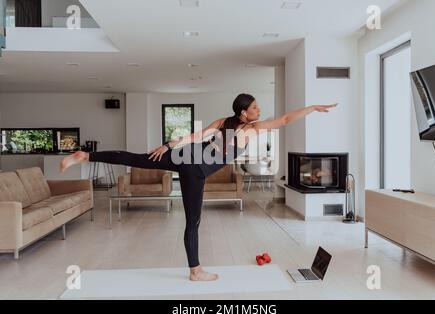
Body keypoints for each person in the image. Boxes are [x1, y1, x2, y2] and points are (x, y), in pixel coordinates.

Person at [60, 93, 337, 281]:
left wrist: (168, 145)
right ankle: (195, 270)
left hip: (185, 156)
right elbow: (286, 120)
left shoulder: (223, 122)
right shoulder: (249, 129)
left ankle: (85, 155)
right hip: (194, 170)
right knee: (192, 222)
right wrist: (311, 108)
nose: (259, 110)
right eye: (255, 107)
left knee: (137, 158)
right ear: (244, 112)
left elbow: (194, 136)